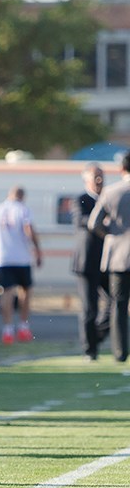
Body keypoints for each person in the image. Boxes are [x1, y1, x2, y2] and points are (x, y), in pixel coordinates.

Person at [0, 185, 42, 345]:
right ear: (22, 196)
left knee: (6, 293)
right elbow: (29, 229)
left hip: (3, 257)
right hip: (21, 257)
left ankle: (7, 330)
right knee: (25, 292)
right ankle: (23, 327)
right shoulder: (23, 209)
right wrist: (36, 248)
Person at [88, 152, 130, 362]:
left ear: (122, 169)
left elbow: (93, 224)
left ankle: (120, 352)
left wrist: (112, 235)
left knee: (119, 305)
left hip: (118, 257)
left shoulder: (111, 191)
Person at [71, 163, 110, 362]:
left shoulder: (108, 199)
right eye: (95, 176)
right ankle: (90, 350)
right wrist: (103, 222)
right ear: (86, 179)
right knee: (89, 308)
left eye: (101, 176)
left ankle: (97, 337)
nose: (99, 180)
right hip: (87, 262)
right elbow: (82, 220)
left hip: (108, 262)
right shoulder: (81, 199)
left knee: (115, 303)